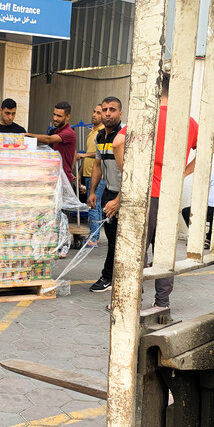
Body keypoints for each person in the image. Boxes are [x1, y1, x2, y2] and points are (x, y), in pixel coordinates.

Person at [139, 72, 200, 311]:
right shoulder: (189, 122)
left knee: (138, 249)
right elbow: (210, 148)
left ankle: (132, 300)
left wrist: (130, 171)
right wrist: (183, 173)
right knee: (164, 250)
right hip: (169, 195)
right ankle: (162, 303)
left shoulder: (148, 117)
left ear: (156, 91)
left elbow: (118, 143)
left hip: (147, 194)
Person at [88, 97, 124, 293]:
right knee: (112, 238)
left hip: (125, 194)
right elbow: (97, 165)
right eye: (104, 110)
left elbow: (131, 172)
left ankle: (108, 277)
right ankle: (114, 276)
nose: (107, 113)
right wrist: (93, 191)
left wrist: (119, 199)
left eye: (112, 109)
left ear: (120, 113)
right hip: (109, 192)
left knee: (121, 240)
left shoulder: (125, 135)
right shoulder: (100, 137)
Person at [26, 101, 77, 185]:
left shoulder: (68, 133)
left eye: (59, 116)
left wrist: (28, 135)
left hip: (64, 181)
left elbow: (48, 139)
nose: (55, 118)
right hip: (57, 178)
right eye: (54, 114)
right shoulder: (58, 131)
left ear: (67, 117)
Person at [77, 105, 105, 247]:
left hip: (98, 176)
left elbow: (100, 154)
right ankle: (95, 236)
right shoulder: (92, 132)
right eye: (94, 111)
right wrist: (80, 174)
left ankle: (94, 238)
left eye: (98, 113)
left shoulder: (102, 132)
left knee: (93, 205)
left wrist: (85, 155)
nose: (94, 114)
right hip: (88, 173)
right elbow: (87, 154)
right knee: (95, 205)